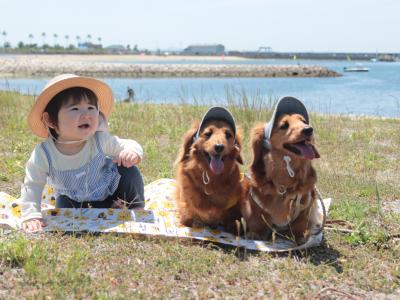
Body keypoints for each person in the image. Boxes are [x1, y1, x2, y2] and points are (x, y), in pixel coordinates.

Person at [20, 74, 144, 233]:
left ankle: (135, 206)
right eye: (75, 109)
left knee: (128, 171)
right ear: (51, 120)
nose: (86, 115)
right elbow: (32, 184)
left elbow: (128, 144)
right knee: (64, 214)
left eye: (91, 108)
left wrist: (131, 151)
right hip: (72, 200)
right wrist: (31, 215)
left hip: (108, 193)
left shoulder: (99, 140)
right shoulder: (44, 153)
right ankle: (105, 210)